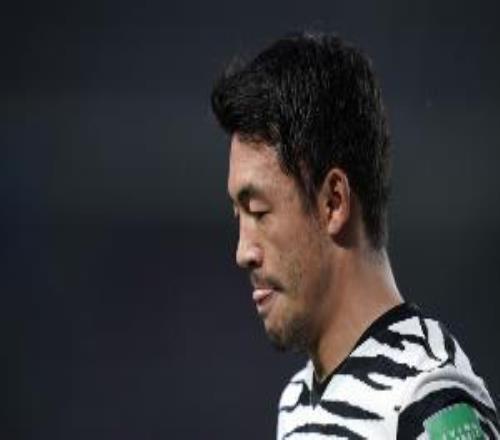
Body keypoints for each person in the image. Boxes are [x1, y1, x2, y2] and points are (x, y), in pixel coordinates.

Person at [210, 31, 499, 439]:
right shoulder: (296, 401)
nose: (243, 252)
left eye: (259, 211)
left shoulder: (429, 401)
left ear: (334, 202)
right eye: (237, 215)